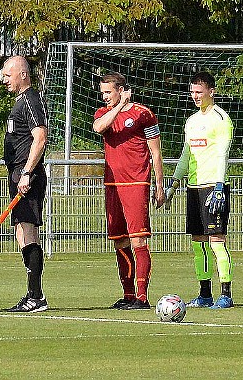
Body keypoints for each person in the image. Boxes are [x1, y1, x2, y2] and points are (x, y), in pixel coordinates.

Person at [92, 72, 164, 310]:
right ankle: (128, 294)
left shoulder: (143, 114)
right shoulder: (104, 113)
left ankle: (142, 296)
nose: (104, 97)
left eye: (108, 92)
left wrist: (159, 185)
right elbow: (99, 128)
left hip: (136, 183)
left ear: (121, 90)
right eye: (102, 93)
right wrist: (119, 105)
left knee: (138, 240)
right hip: (112, 185)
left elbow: (155, 152)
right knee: (119, 241)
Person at [165, 72, 235, 309]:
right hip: (193, 187)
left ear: (211, 92)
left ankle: (226, 293)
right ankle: (205, 294)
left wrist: (218, 185)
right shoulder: (192, 121)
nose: (195, 96)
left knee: (216, 241)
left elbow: (222, 153)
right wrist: (174, 183)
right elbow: (187, 154)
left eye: (199, 91)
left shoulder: (221, 119)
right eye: (193, 91)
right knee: (198, 243)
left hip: (213, 187)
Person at [0, 56, 49, 313]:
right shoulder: (20, 103)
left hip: (27, 174)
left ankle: (36, 295)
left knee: (28, 231)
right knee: (21, 231)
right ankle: (32, 292)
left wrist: (27, 172)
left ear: (23, 74)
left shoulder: (31, 100)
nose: (3, 80)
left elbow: (40, 137)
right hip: (18, 173)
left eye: (8, 75)